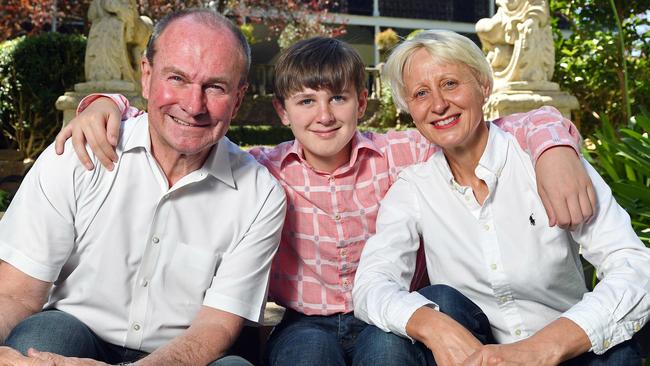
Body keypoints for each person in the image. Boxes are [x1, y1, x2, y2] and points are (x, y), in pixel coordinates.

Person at [57, 37, 595, 366]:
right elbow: (175, 124)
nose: (325, 115)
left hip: (391, 312)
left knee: (386, 357)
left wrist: (554, 147)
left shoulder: (398, 152)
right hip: (304, 321)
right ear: (282, 110)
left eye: (339, 98)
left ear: (361, 103)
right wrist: (101, 102)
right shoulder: (259, 167)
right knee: (303, 359)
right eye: (306, 101)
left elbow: (500, 126)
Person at [0, 8, 286, 366]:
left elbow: (214, 328)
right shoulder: (77, 152)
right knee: (41, 337)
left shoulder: (261, 196)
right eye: (177, 78)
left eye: (215, 87)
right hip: (76, 331)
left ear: (238, 99)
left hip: (185, 353)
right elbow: (15, 295)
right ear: (146, 76)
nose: (193, 105)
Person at [352, 29, 650, 366]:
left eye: (450, 83)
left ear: (483, 86)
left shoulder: (547, 160)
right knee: (419, 312)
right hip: (476, 355)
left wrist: (545, 346)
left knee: (616, 347)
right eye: (421, 93)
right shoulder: (414, 188)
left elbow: (636, 266)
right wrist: (432, 325)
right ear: (410, 109)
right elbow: (371, 285)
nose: (438, 104)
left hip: (563, 350)